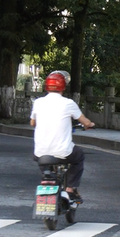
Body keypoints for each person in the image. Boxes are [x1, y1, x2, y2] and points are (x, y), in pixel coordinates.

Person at [30, 71, 96, 202]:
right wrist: (90, 124)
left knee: (45, 165)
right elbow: (85, 122)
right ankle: (70, 190)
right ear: (63, 87)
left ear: (46, 86)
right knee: (79, 157)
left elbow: (32, 123)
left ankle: (47, 179)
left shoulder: (38, 102)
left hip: (40, 153)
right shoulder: (68, 103)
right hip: (63, 152)